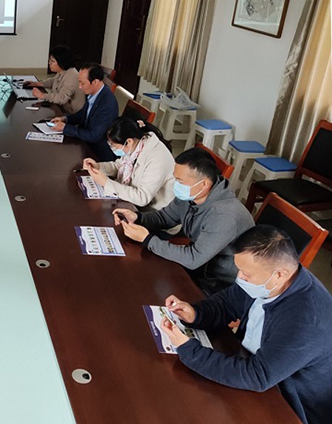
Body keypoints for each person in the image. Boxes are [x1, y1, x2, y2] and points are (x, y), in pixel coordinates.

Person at [160, 225, 332, 424]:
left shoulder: (307, 320)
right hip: (250, 365)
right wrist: (195, 313)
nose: (239, 277)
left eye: (246, 274)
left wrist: (189, 350)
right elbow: (227, 303)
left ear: (279, 275)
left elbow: (257, 376)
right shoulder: (269, 282)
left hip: (288, 404)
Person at [114, 147, 254, 294]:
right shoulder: (192, 194)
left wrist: (147, 240)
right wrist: (138, 217)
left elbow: (193, 259)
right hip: (199, 266)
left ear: (204, 184)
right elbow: (165, 217)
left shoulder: (224, 216)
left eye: (180, 181)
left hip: (219, 283)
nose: (176, 185)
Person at [82, 117, 175, 211]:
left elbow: (142, 198)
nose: (113, 148)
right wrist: (98, 167)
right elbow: (118, 166)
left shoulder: (157, 158)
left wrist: (106, 183)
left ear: (129, 142)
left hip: (154, 211)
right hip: (133, 201)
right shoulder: (137, 145)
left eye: (113, 145)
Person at [49, 62, 119, 161]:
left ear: (95, 82)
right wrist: (65, 119)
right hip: (85, 143)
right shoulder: (95, 93)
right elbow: (83, 113)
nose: (80, 87)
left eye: (82, 83)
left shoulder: (107, 103)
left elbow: (94, 136)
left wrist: (66, 128)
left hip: (97, 152)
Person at [25, 46, 85, 113]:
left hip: (71, 114)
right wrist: (37, 84)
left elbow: (61, 98)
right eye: (49, 60)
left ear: (61, 62)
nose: (49, 63)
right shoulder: (63, 71)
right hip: (62, 110)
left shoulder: (71, 77)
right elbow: (53, 81)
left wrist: (42, 95)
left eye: (52, 61)